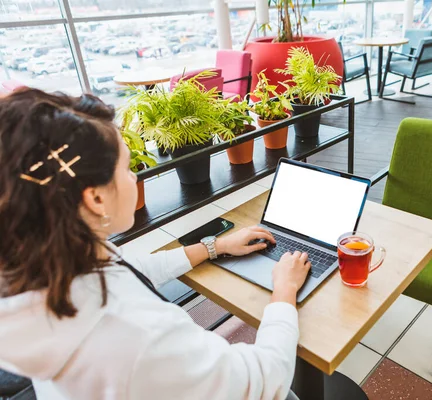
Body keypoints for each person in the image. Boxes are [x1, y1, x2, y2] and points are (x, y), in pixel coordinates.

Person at [0, 88, 311, 399]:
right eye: (127, 168)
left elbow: (129, 267)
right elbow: (266, 380)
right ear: (95, 198)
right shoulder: (140, 338)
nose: (135, 178)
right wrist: (284, 289)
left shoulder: (42, 272)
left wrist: (215, 247)